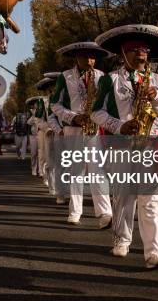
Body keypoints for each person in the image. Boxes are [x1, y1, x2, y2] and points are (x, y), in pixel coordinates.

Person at [93, 24, 158, 268]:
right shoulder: (110, 80)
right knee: (124, 196)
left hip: (151, 144)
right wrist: (119, 126)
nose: (141, 55)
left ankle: (154, 253)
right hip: (122, 144)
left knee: (151, 199)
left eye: (145, 51)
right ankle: (122, 239)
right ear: (123, 53)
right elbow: (97, 112)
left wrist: (156, 97)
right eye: (135, 51)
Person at [50, 42, 112, 227]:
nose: (89, 61)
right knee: (76, 171)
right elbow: (55, 104)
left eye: (92, 57)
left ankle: (104, 213)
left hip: (94, 128)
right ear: (77, 57)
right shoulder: (65, 76)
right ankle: (75, 211)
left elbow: (109, 103)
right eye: (85, 57)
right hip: (73, 128)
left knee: (97, 170)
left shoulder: (102, 76)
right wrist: (73, 117)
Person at [26, 97, 40, 176]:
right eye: (35, 104)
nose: (36, 105)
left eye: (37, 104)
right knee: (34, 153)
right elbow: (28, 122)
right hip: (33, 135)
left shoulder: (42, 110)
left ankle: (40, 170)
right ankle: (34, 169)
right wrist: (34, 115)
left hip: (41, 133)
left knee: (41, 153)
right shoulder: (30, 112)